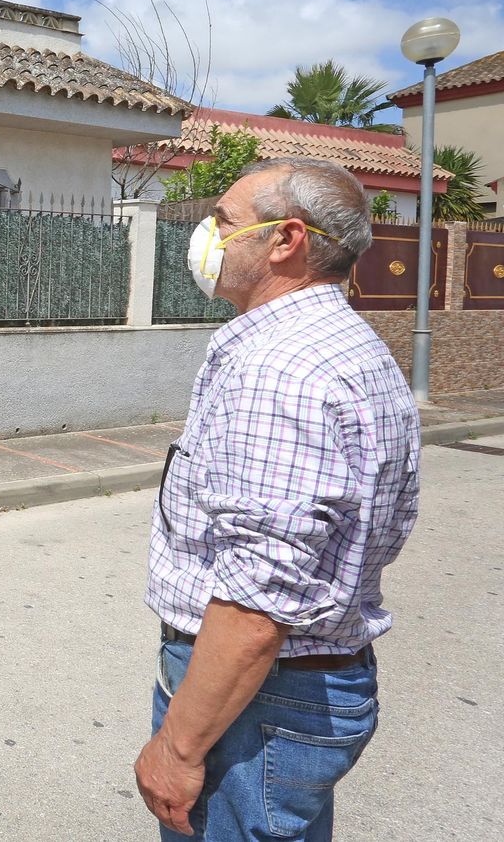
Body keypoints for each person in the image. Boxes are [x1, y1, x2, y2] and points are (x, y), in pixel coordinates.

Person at [135, 159, 420, 840]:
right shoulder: (342, 344)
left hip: (262, 701)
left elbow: (258, 604)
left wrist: (177, 749)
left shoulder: (280, 369)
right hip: (292, 692)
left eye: (226, 222)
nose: (209, 236)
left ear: (285, 240)